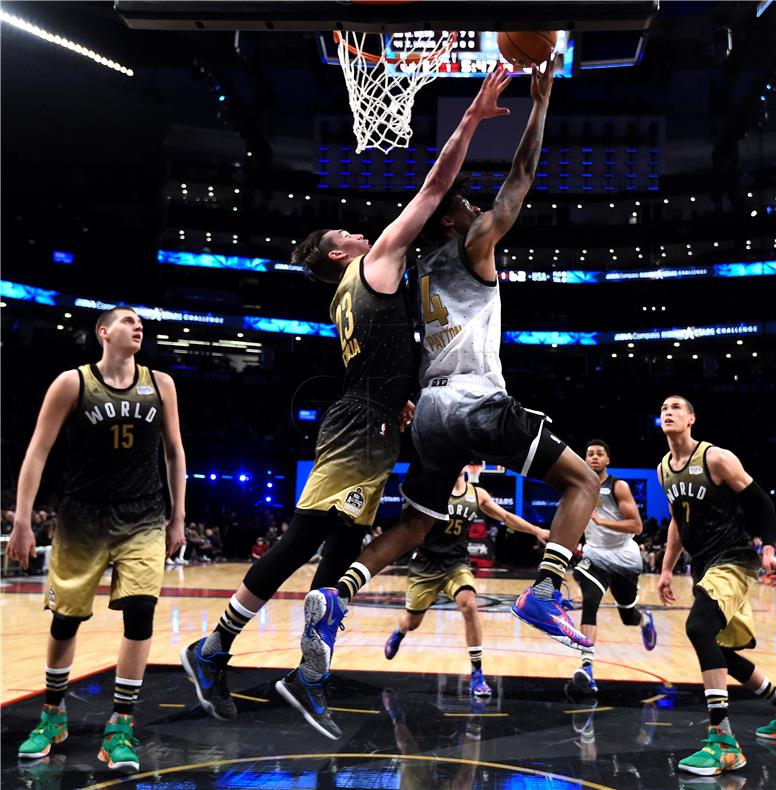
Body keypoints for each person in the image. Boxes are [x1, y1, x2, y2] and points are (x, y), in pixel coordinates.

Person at [179, 69, 514, 732]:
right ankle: (212, 646)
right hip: (362, 421)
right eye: (347, 234)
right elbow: (434, 186)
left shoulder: (345, 292)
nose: (361, 232)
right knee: (309, 535)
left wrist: (405, 399)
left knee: (344, 546)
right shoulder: (374, 263)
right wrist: (470, 118)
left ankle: (308, 674)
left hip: (376, 419)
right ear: (338, 254)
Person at [296, 56, 601, 738]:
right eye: (467, 202)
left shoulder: (414, 275)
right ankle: (548, 592)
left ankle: (334, 593)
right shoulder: (472, 242)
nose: (473, 201)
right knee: (582, 480)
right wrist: (540, 102)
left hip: (428, 414)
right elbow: (521, 180)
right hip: (473, 398)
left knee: (414, 528)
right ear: (453, 221)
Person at [7, 306, 186, 771]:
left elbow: (174, 452)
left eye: (140, 323)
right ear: (103, 332)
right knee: (65, 619)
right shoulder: (72, 382)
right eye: (127, 321)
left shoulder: (161, 383)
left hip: (144, 515)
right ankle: (52, 715)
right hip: (83, 517)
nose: (137, 326)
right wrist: (22, 522)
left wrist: (179, 516)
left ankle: (120, 724)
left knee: (141, 612)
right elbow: (37, 452)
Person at [656, 395, 776, 776]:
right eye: (663, 408)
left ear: (691, 419)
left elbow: (762, 503)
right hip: (703, 566)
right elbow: (676, 521)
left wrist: (769, 551)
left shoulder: (716, 458)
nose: (668, 412)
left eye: (676, 407)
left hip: (733, 559)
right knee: (724, 653)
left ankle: (723, 742)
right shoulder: (663, 469)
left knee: (698, 628)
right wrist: (667, 569)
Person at [384, 466, 549, 698]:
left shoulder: (477, 494)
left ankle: (477, 674)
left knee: (469, 605)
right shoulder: (433, 489)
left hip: (456, 562)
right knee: (412, 622)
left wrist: (536, 530)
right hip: (425, 563)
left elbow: (506, 517)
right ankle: (400, 631)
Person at [569, 440, 657, 695]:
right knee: (590, 601)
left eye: (599, 454)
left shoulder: (618, 486)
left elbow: (637, 526)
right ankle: (587, 666)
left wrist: (602, 521)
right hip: (594, 555)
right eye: (590, 454)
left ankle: (644, 621)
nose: (594, 457)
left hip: (623, 557)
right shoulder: (579, 488)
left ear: (608, 460)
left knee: (628, 616)